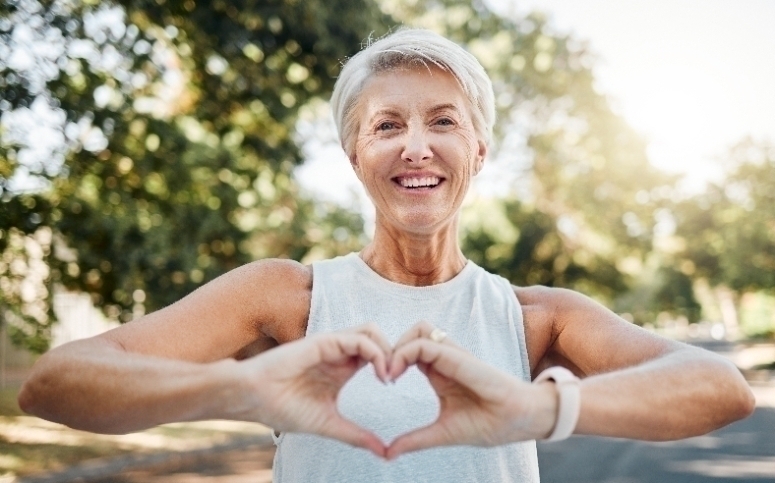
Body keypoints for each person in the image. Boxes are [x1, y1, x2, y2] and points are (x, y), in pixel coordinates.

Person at [19, 28, 754, 482]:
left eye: (442, 121)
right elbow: (55, 383)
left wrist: (535, 405)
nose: (415, 144)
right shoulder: (285, 297)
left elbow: (718, 387)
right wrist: (237, 391)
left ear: (476, 149)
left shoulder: (536, 317)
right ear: (354, 154)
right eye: (386, 124)